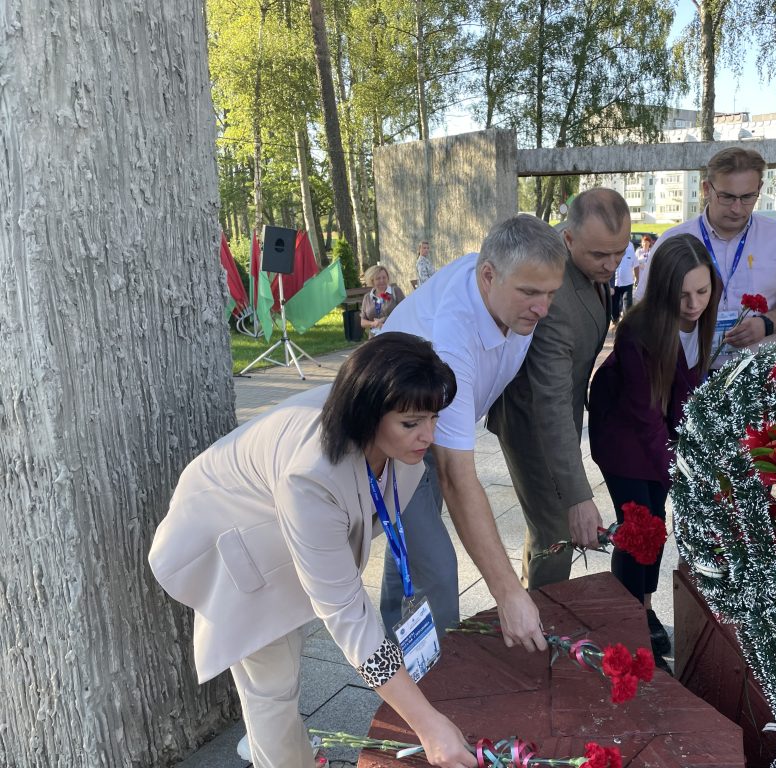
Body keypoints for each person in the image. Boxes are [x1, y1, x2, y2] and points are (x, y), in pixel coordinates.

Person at [148, 334, 476, 768]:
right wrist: (428, 726)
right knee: (272, 682)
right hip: (234, 539)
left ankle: (277, 747)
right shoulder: (311, 475)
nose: (429, 435)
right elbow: (347, 616)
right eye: (412, 423)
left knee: (286, 663)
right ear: (368, 413)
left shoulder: (389, 434)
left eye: (433, 417)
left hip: (284, 521)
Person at [380, 214, 566, 651]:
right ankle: (433, 685)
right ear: (488, 277)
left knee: (410, 558)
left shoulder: (507, 289)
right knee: (438, 573)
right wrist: (508, 593)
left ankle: (392, 663)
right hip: (393, 439)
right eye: (530, 293)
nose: (543, 309)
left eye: (551, 293)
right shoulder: (452, 340)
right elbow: (456, 476)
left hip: (433, 426)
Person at [488, 189, 631, 590]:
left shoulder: (588, 263)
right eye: (599, 255)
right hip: (531, 421)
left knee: (544, 529)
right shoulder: (554, 297)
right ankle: (540, 617)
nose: (611, 265)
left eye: (620, 252)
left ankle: (531, 601)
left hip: (558, 405)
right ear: (568, 239)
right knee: (556, 535)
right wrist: (577, 496)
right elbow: (549, 398)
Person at [588, 234, 722, 656]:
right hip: (623, 436)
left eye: (702, 291)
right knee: (639, 527)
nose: (694, 304)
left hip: (660, 434)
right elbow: (645, 416)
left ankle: (642, 607)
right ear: (663, 288)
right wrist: (679, 469)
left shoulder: (701, 320)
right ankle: (629, 621)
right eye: (682, 295)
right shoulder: (637, 331)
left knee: (655, 526)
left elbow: (686, 392)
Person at [636, 148, 776, 365]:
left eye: (747, 197)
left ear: (759, 189)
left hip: (757, 373)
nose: (737, 208)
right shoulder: (674, 240)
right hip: (686, 372)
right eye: (727, 197)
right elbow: (644, 305)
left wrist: (767, 324)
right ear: (706, 189)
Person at [361, 265, 406, 336]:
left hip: (395, 335)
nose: (382, 281)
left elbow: (405, 313)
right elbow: (363, 322)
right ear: (372, 281)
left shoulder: (395, 291)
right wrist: (373, 323)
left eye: (384, 277)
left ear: (388, 278)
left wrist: (384, 319)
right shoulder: (367, 297)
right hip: (374, 337)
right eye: (378, 278)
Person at [611, 239, 637, 323]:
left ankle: (626, 323)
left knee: (627, 305)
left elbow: (635, 264)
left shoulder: (631, 247)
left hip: (627, 283)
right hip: (615, 283)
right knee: (614, 305)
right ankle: (615, 321)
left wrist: (637, 278)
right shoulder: (613, 245)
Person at [633, 234, 655, 300]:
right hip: (640, 275)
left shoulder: (652, 251)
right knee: (639, 295)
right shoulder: (638, 251)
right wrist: (639, 265)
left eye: (647, 242)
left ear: (649, 243)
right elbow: (634, 263)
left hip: (649, 276)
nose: (645, 244)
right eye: (644, 242)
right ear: (641, 243)